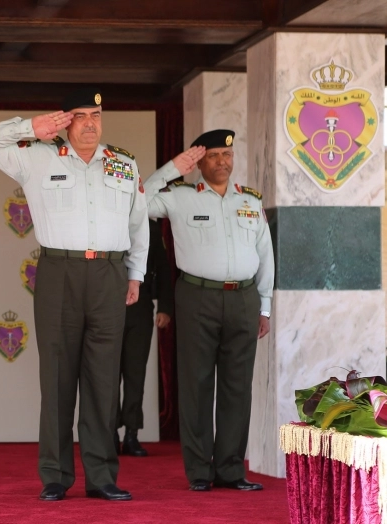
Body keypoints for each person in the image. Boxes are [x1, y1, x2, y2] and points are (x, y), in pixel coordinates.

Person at [0, 88, 148, 502]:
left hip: (109, 272)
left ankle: (102, 476)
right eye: (80, 115)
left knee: (103, 380)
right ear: (65, 120)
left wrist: (136, 275)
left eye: (96, 115)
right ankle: (55, 475)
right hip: (59, 270)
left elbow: (138, 223)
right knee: (56, 376)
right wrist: (29, 127)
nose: (89, 123)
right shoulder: (37, 155)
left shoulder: (123, 163)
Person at [143, 129, 273, 492]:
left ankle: (231, 469)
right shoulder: (181, 197)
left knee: (237, 387)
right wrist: (172, 168)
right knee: (197, 384)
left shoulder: (249, 200)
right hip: (197, 296)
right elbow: (138, 200)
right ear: (199, 163)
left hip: (243, 298)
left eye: (226, 155)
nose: (221, 162)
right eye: (213, 156)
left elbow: (265, 255)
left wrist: (264, 307)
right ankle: (200, 470)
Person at [116, 218, 173, 457]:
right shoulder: (106, 219)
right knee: (106, 375)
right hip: (106, 305)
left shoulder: (149, 226)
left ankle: (131, 434)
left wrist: (165, 307)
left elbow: (163, 267)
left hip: (140, 306)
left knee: (135, 373)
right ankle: (108, 434)